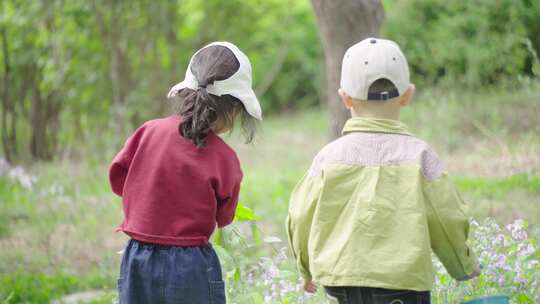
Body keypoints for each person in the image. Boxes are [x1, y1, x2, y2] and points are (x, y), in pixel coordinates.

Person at [286, 38, 480, 304]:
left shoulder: (328, 157)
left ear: (345, 98)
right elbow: (446, 218)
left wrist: (305, 267)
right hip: (403, 284)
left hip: (339, 282)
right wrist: (462, 266)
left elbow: (300, 216)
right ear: (408, 95)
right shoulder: (420, 156)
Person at [109, 41, 262, 304]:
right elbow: (224, 217)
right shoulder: (225, 159)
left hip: (137, 259)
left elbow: (118, 178)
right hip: (190, 267)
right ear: (235, 108)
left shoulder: (148, 132)